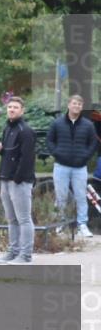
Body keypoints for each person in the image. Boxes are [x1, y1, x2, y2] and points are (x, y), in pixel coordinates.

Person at [47, 94, 98, 238]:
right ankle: (61, 223)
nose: (77, 106)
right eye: (74, 103)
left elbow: (93, 143)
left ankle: (82, 224)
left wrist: (85, 156)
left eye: (79, 104)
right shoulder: (57, 123)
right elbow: (50, 140)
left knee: (81, 196)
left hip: (80, 167)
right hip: (61, 166)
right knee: (61, 196)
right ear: (69, 105)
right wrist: (57, 153)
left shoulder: (88, 125)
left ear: (82, 107)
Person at [0, 96, 37, 264]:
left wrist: (17, 179)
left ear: (22, 110)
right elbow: (10, 153)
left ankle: (25, 255)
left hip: (19, 181)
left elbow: (27, 158)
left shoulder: (25, 130)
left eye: (15, 107)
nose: (11, 109)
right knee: (11, 219)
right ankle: (13, 251)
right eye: (9, 107)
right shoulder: (7, 128)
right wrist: (0, 151)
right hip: (5, 178)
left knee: (24, 219)